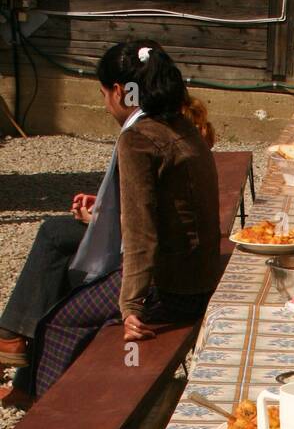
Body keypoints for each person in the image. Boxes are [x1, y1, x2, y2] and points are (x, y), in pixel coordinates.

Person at [0, 45, 221, 402]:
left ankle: (43, 418)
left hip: (171, 286)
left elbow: (141, 233)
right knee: (59, 246)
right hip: (195, 268)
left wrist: (131, 306)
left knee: (58, 324)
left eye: (103, 95)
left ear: (119, 92)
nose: (105, 105)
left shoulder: (137, 139)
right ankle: (20, 358)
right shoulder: (177, 124)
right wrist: (102, 215)